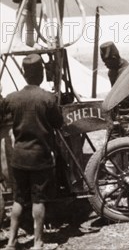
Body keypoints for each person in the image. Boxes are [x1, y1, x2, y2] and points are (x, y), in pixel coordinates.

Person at [0, 54, 63, 250]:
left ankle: (11, 242)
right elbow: (58, 124)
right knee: (38, 200)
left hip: (18, 158)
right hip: (40, 157)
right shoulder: (47, 98)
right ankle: (38, 242)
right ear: (42, 74)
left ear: (25, 75)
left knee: (19, 199)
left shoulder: (12, 98)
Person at [100, 42, 129, 139]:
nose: (106, 65)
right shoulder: (111, 72)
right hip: (116, 117)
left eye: (107, 62)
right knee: (113, 149)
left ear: (114, 58)